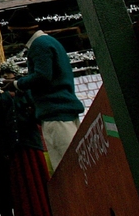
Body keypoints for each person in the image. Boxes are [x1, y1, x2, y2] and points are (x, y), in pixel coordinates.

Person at [5, 9, 84, 173]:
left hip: (56, 115)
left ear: (23, 30)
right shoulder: (49, 42)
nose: (13, 38)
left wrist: (17, 84)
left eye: (14, 33)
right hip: (64, 111)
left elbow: (42, 76)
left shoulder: (39, 45)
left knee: (68, 168)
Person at [0, 64, 54, 216]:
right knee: (21, 185)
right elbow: (2, 125)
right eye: (4, 75)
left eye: (10, 75)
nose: (7, 78)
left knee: (38, 181)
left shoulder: (27, 93)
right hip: (15, 147)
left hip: (31, 142)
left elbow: (36, 114)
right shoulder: (2, 99)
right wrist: (5, 148)